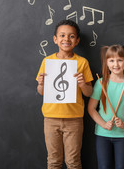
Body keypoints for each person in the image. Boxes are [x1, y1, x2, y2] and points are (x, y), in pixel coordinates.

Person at [36, 19, 93, 169]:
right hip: (50, 119)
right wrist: (41, 84)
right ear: (55, 39)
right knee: (53, 161)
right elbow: (41, 92)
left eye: (71, 36)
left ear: (77, 40)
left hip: (74, 120)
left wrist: (82, 84)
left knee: (73, 162)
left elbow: (89, 93)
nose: (66, 39)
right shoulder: (47, 61)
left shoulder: (82, 62)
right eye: (62, 35)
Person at [88, 43, 124, 169]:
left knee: (122, 166)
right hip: (103, 133)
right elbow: (91, 109)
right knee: (103, 167)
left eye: (120, 60)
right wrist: (103, 124)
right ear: (106, 63)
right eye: (112, 60)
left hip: (123, 135)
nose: (116, 64)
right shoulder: (101, 82)